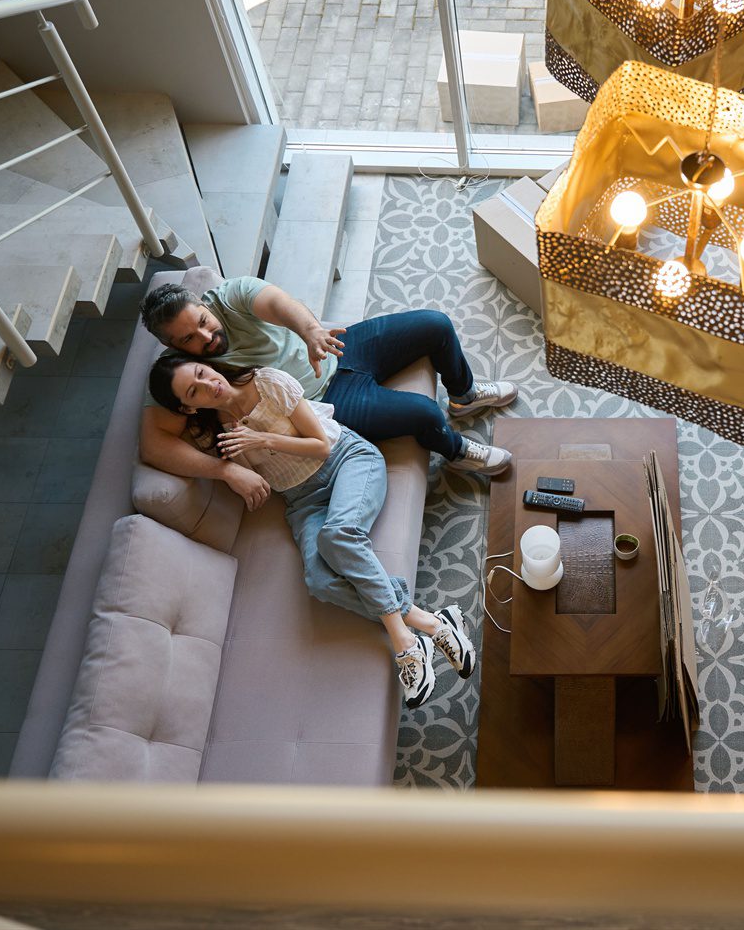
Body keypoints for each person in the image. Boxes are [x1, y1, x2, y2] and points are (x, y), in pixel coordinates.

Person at [149, 354, 470, 707]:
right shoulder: (215, 431)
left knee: (338, 537)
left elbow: (321, 444)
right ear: (189, 408)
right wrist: (233, 470)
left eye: (201, 373)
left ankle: (405, 643)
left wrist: (261, 440)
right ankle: (431, 622)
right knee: (319, 580)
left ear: (208, 365)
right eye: (194, 392)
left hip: (346, 459)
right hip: (302, 500)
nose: (209, 385)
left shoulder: (268, 382)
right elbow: (154, 447)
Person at [139, 276, 516, 512]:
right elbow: (154, 446)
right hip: (321, 402)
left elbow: (277, 302)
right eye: (189, 339)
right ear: (172, 347)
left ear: (204, 306)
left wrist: (311, 331)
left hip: (336, 351)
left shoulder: (228, 295)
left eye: (203, 322)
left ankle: (464, 394)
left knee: (436, 324)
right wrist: (225, 471)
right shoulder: (179, 373)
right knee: (426, 414)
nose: (206, 338)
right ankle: (456, 451)